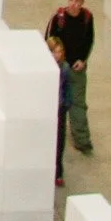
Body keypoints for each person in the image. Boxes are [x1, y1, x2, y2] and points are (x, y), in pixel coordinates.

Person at [45, 0, 96, 158]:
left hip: (76, 68)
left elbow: (89, 40)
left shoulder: (87, 18)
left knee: (78, 105)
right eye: (71, 0)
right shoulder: (58, 18)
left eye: (77, 1)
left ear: (82, 2)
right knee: (56, 105)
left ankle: (82, 140)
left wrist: (83, 60)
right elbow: (49, 41)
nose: (74, 4)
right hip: (59, 68)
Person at [48, 32, 72, 186]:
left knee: (59, 141)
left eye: (59, 52)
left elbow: (67, 87)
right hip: (48, 107)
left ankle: (58, 171)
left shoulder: (64, 67)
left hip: (59, 107)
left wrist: (66, 104)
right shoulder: (45, 68)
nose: (57, 55)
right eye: (54, 51)